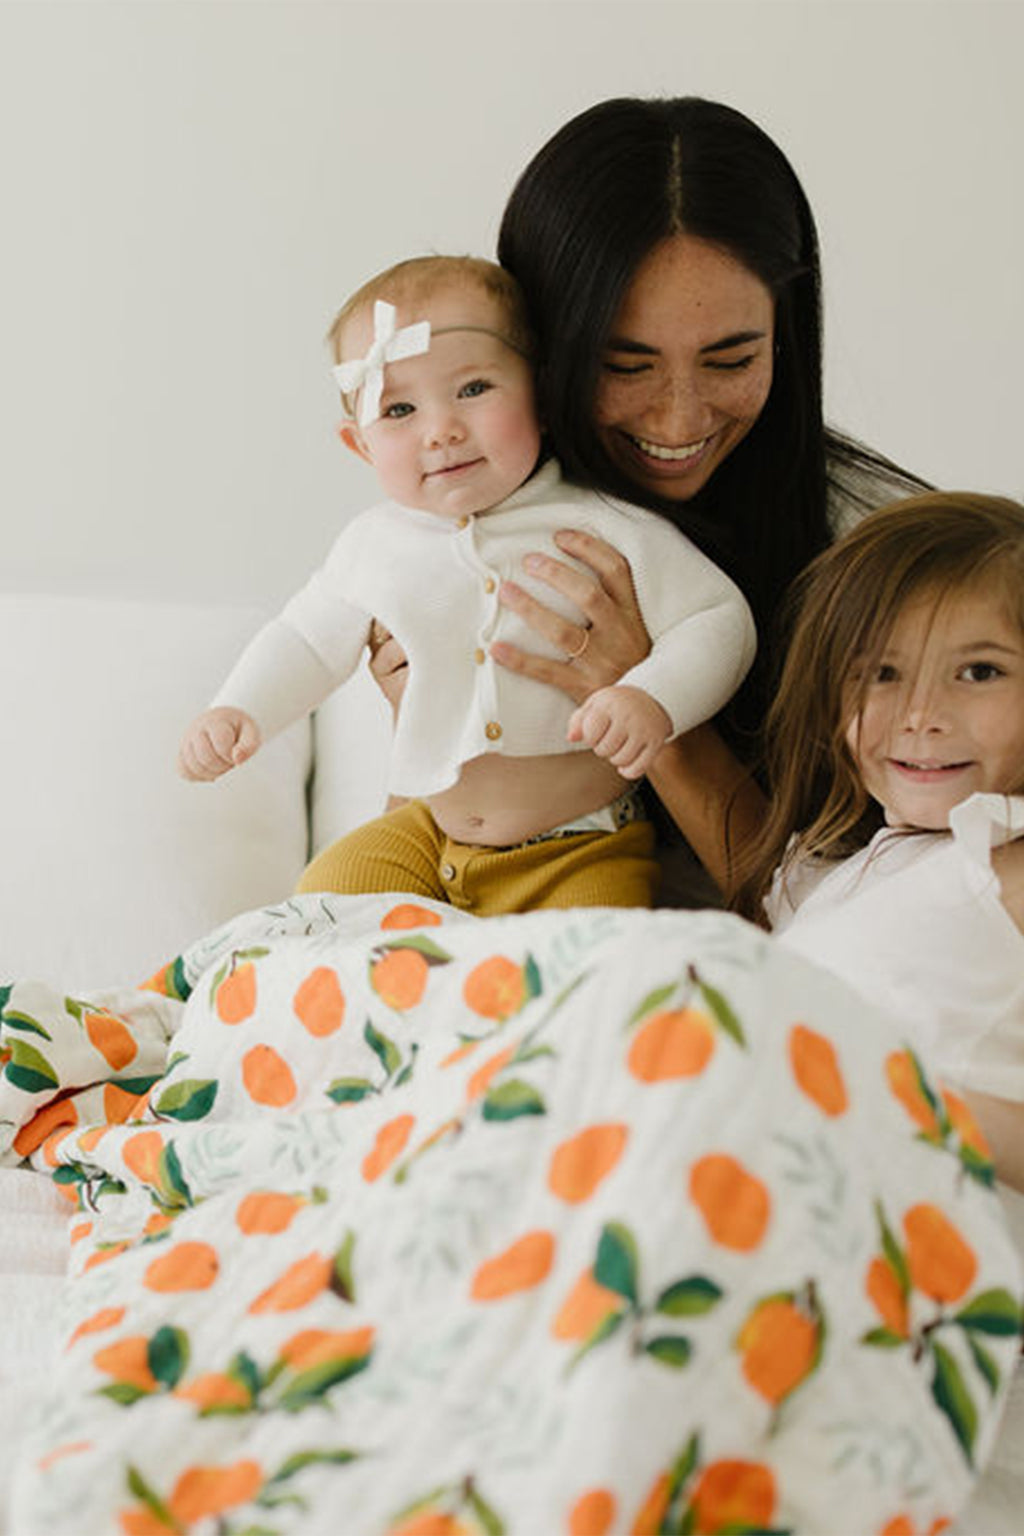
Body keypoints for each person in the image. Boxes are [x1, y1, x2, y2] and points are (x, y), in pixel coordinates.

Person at [367, 97, 928, 902]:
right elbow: (427, 872)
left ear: (786, 336)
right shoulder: (469, 520)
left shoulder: (882, 556)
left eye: (731, 360)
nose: (679, 420)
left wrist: (658, 702)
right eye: (624, 367)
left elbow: (867, 925)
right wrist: (430, 725)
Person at [178, 255, 756, 915]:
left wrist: (653, 697)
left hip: (580, 846)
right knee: (319, 908)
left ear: (541, 396)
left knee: (594, 952)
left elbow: (718, 618)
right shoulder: (373, 546)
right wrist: (239, 708)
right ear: (360, 445)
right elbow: (306, 640)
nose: (441, 430)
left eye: (474, 388)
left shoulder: (600, 525)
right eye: (399, 408)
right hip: (427, 834)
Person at [731, 491, 1024, 1203]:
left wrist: (885, 1094)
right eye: (881, 674)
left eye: (979, 671)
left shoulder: (1008, 868)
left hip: (909, 1228)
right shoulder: (852, 871)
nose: (921, 716)